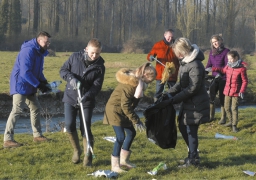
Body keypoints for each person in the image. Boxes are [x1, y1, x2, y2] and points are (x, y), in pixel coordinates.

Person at [160, 37, 210, 167]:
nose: (176, 54)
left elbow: (193, 88)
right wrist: (168, 93)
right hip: (188, 103)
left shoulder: (195, 65)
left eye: (176, 51)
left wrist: (174, 99)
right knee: (183, 127)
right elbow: (180, 84)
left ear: (182, 50)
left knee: (190, 130)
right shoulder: (185, 63)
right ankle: (193, 155)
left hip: (196, 104)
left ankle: (193, 159)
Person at [103, 62, 157, 173]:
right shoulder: (130, 86)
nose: (150, 84)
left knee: (131, 133)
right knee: (120, 137)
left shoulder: (138, 84)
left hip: (123, 111)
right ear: (145, 76)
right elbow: (125, 105)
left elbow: (130, 105)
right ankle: (115, 166)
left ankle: (124, 161)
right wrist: (136, 120)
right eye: (150, 81)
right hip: (115, 111)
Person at [60, 38, 105, 167]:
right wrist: (70, 78)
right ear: (86, 49)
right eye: (92, 53)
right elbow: (63, 70)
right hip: (70, 97)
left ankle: (88, 155)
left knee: (85, 128)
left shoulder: (100, 67)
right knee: (69, 125)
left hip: (86, 101)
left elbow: (97, 86)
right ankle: (76, 150)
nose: (94, 56)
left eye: (97, 53)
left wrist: (87, 96)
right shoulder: (75, 57)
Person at [3, 31, 52, 148]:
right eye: (46, 42)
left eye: (49, 42)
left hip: (30, 85)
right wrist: (38, 85)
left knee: (35, 108)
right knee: (17, 109)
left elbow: (38, 71)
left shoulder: (40, 52)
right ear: (39, 40)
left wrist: (44, 82)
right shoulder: (28, 51)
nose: (48, 44)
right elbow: (25, 72)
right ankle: (8, 139)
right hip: (20, 84)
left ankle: (37, 135)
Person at [205, 51, 248, 132]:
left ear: (236, 58)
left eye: (231, 59)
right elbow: (223, 70)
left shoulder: (242, 69)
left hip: (236, 92)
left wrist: (242, 91)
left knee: (234, 108)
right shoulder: (228, 66)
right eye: (228, 59)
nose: (229, 60)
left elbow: (245, 81)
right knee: (227, 108)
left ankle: (234, 125)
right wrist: (213, 69)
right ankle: (231, 121)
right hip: (227, 91)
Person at [147, 29, 179, 102]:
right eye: (169, 37)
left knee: (173, 92)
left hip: (172, 73)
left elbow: (180, 57)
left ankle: (171, 106)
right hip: (161, 74)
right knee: (158, 92)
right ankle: (156, 105)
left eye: (172, 37)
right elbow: (150, 55)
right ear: (165, 35)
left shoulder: (176, 46)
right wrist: (150, 57)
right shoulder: (158, 45)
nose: (170, 39)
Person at [205, 34, 230, 123]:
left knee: (222, 97)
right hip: (213, 78)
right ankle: (211, 116)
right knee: (211, 96)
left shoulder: (226, 51)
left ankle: (223, 117)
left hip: (223, 78)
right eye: (213, 42)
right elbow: (209, 64)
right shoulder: (211, 52)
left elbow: (228, 66)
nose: (215, 43)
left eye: (216, 41)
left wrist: (218, 70)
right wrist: (205, 71)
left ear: (221, 41)